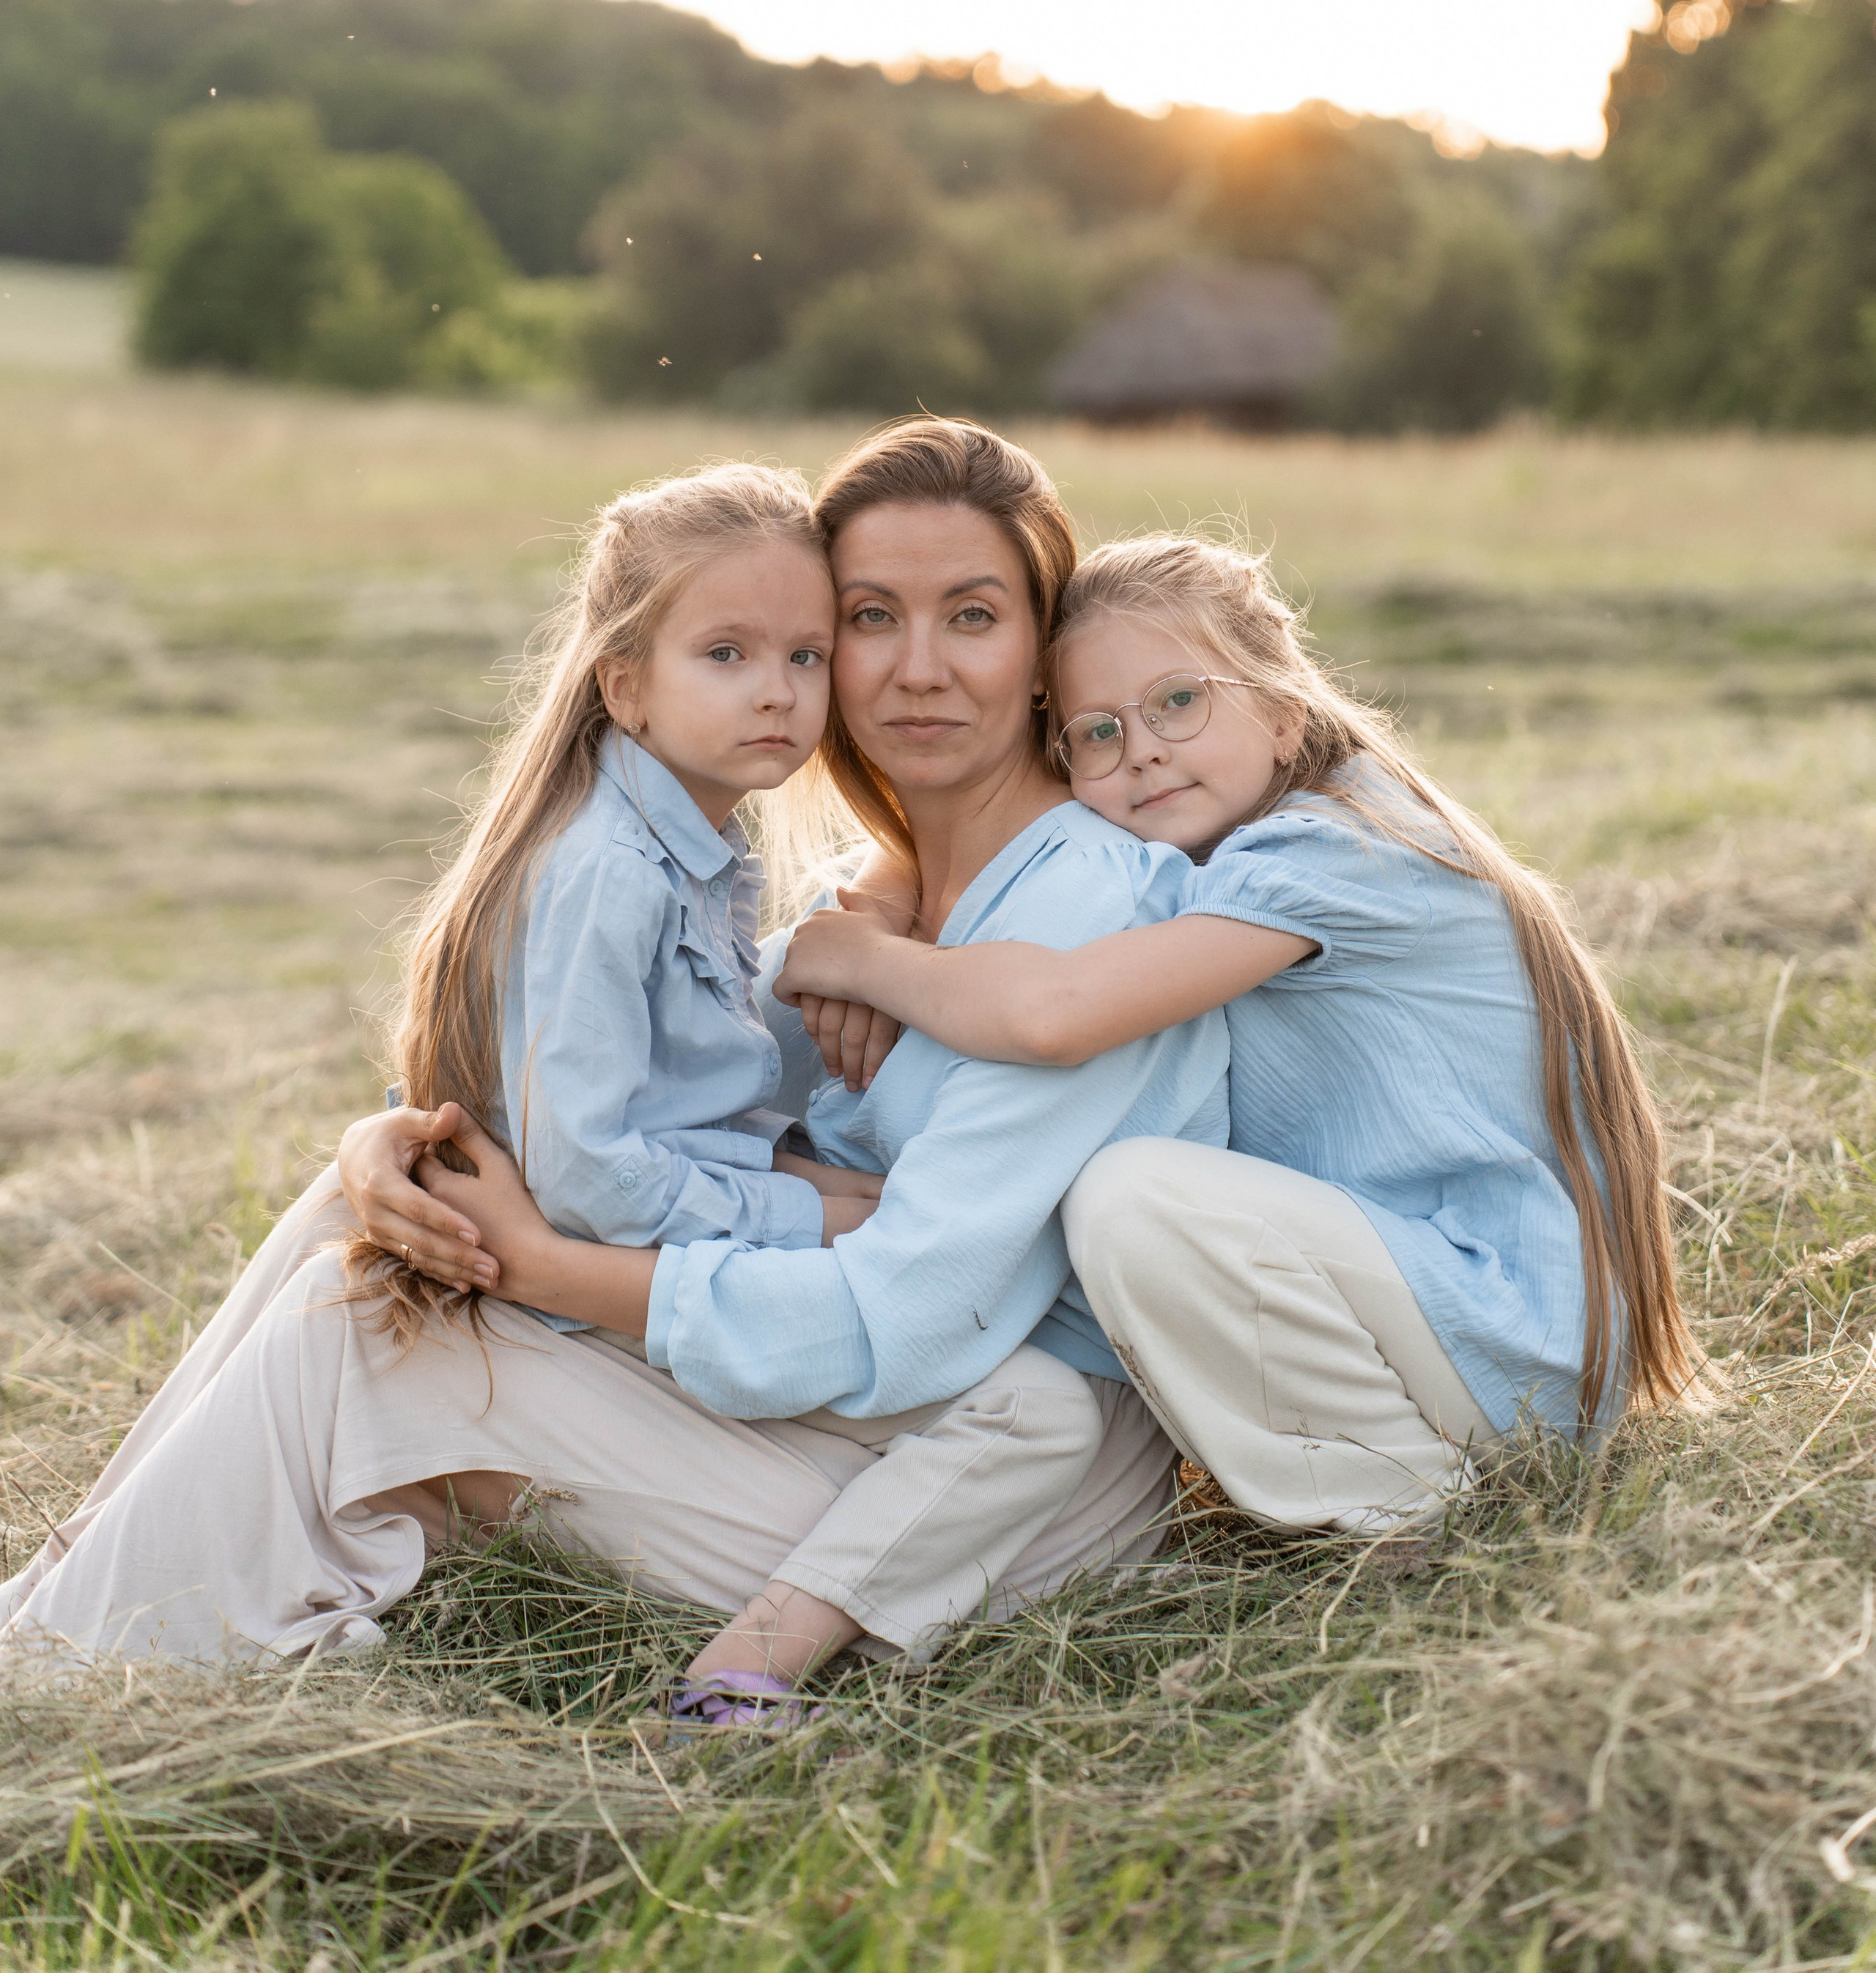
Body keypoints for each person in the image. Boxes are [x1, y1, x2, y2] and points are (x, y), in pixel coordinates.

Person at [0, 423, 1223, 1697]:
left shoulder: (1084, 914)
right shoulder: (873, 912)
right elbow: (642, 1082)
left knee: (360, 1340)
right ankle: (62, 1599)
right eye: (870, 618)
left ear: (1040, 654)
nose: (917, 670)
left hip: (1005, 1488)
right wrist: (405, 1142)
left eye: (972, 616)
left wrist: (550, 1267)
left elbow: (915, 1319)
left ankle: (75, 1677)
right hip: (860, 1403)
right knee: (353, 1229)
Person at [779, 530, 1698, 1536]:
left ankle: (1398, 1508)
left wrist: (860, 958)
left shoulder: (1338, 850)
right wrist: (883, 888)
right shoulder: (1240, 843)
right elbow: (986, 838)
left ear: (1279, 708)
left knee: (1131, 1197)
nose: (1145, 752)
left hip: (1506, 1333)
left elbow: (1053, 1015)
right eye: (1097, 733)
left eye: (1179, 701)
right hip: (1429, 1309)